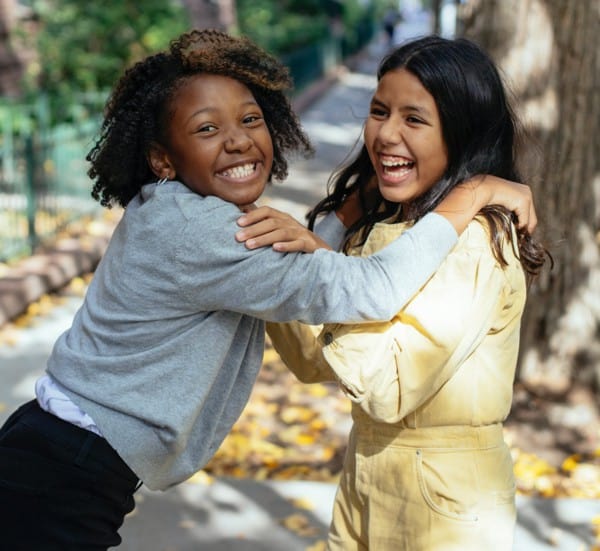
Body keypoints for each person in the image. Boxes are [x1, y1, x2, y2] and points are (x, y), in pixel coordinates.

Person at [0, 29, 535, 550]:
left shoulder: (186, 216)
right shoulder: (203, 232)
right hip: (63, 472)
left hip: (62, 459)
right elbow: (356, 293)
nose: (236, 138)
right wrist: (474, 191)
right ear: (163, 158)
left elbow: (301, 274)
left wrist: (346, 215)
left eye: (251, 119)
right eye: (206, 129)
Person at [240, 35, 549, 550]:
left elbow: (389, 389)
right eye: (379, 111)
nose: (385, 134)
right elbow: (314, 361)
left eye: (414, 119)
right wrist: (322, 235)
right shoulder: (390, 223)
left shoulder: (475, 240)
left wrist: (323, 264)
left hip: (444, 501)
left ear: (462, 133)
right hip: (366, 472)